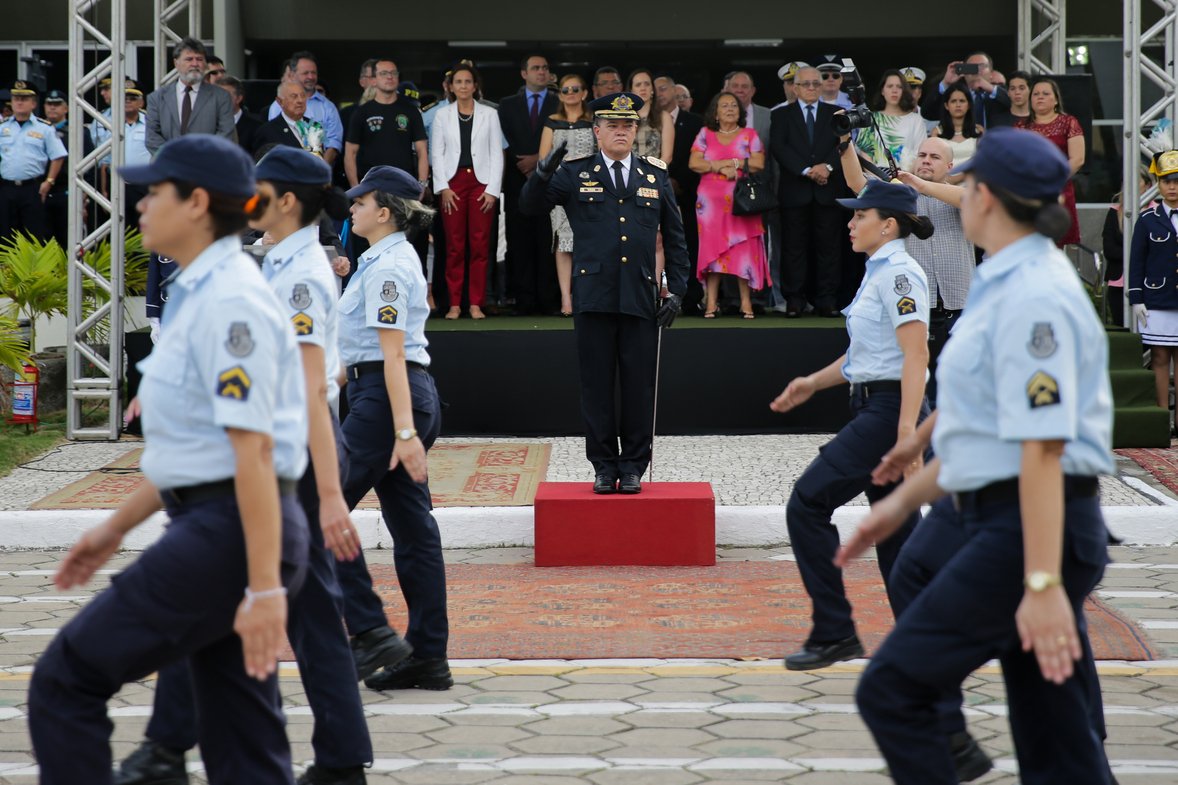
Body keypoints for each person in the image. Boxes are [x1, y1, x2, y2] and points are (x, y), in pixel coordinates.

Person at [28, 134, 310, 785]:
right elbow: (198, 451)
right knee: (243, 742)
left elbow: (254, 450)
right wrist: (112, 527)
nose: (141, 205)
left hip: (231, 532)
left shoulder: (229, 300)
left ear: (199, 202)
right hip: (226, 524)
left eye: (156, 191)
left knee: (66, 678)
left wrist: (264, 587)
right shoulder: (197, 290)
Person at [842, 126, 1115, 785]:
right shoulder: (1004, 274)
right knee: (1060, 745)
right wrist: (902, 501)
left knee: (892, 690)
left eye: (966, 184)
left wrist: (1043, 584)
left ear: (984, 195)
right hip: (1004, 514)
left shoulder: (1033, 295)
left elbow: (1041, 447)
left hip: (1025, 527)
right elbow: (985, 423)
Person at [113, 146, 372, 785]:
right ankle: (330, 757)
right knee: (272, 604)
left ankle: (173, 748)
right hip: (282, 451)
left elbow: (315, 388)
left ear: (285, 201)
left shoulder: (301, 274)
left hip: (292, 455)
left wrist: (330, 490)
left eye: (257, 188)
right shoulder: (278, 262)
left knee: (244, 595)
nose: (246, 198)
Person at [769, 178, 932, 671]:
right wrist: (812, 384)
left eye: (859, 215)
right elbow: (864, 356)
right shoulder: (877, 270)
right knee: (897, 532)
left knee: (807, 504)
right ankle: (923, 643)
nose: (850, 221)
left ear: (887, 225)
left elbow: (915, 355)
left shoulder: (900, 274)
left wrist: (907, 433)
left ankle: (834, 631)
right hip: (874, 405)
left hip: (888, 413)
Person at [520, 92, 691, 494]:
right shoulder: (576, 172)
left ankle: (632, 465)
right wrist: (542, 172)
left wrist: (677, 291)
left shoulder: (655, 175)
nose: (620, 131)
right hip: (594, 293)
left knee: (638, 385)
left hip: (640, 295)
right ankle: (602, 464)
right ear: (597, 131)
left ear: (635, 131)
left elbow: (677, 240)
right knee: (596, 385)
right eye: (612, 125)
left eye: (627, 125)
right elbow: (529, 208)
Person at [331, 165, 452, 693]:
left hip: (387, 398)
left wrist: (404, 434)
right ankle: (428, 658)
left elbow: (392, 355)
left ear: (384, 212)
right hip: (380, 395)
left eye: (360, 202)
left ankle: (370, 631)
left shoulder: (387, 266)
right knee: (413, 531)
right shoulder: (376, 260)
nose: (351, 208)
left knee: (319, 510)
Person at [842, 137, 975, 399]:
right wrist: (844, 142)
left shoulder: (962, 194)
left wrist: (922, 185)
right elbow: (856, 182)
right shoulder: (899, 197)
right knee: (917, 386)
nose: (926, 160)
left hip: (959, 307)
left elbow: (972, 199)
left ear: (950, 166)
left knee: (958, 388)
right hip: (915, 308)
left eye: (934, 157)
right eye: (922, 155)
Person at [430, 62, 504, 321]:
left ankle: (475, 303)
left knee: (481, 244)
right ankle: (453, 304)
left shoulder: (489, 114)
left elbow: (497, 153)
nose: (463, 86)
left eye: (467, 81)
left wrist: (493, 190)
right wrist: (443, 188)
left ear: (475, 86)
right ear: (451, 87)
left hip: (481, 184)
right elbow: (436, 154)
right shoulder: (442, 115)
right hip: (453, 184)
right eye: (458, 82)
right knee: (454, 246)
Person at [771, 67, 845, 318]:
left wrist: (828, 167)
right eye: (806, 84)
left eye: (816, 83)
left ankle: (826, 299)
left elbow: (843, 144)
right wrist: (806, 170)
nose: (812, 87)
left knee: (829, 247)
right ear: (795, 87)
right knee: (794, 247)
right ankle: (795, 299)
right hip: (796, 189)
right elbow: (779, 148)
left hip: (828, 188)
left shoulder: (835, 113)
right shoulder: (781, 115)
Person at [689, 91, 769, 318]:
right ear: (715, 112)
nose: (730, 109)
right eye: (724, 106)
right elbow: (694, 162)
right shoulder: (705, 134)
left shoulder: (749, 134)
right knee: (713, 252)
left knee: (743, 250)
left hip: (742, 204)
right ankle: (711, 303)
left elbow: (759, 162)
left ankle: (746, 303)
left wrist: (736, 166)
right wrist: (720, 167)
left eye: (734, 105)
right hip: (710, 206)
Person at [499, 55, 560, 315]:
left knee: (548, 240)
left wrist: (538, 160)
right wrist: (521, 162)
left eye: (545, 68)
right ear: (524, 74)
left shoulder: (559, 102)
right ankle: (523, 300)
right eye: (535, 68)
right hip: (516, 179)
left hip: (550, 181)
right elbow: (501, 139)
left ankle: (549, 300)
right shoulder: (506, 105)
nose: (541, 72)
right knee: (519, 241)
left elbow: (563, 136)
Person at [538, 73, 596, 317]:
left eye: (575, 89)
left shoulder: (594, 120)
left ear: (584, 93)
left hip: (590, 188)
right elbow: (544, 158)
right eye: (565, 89)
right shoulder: (552, 121)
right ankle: (566, 298)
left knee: (589, 243)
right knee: (562, 243)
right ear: (560, 94)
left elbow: (601, 153)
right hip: (561, 189)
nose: (570, 93)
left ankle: (586, 295)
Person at [1129, 149, 1178, 436]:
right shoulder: (1148, 220)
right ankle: (1162, 417)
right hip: (1157, 299)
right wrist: (1136, 298)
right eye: (1166, 181)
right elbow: (1137, 263)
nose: (1172, 187)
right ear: (1158, 184)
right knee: (1159, 357)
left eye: (1176, 180)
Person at [1014, 77, 1084, 247]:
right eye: (1036, 94)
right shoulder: (1020, 127)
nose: (1040, 97)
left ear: (1056, 100)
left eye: (1045, 93)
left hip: (1059, 188)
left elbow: (1078, 159)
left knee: (1057, 242)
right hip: (1029, 191)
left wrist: (1051, 180)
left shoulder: (1069, 122)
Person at [656, 74, 706, 313]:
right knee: (657, 246)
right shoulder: (645, 120)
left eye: (663, 88)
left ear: (675, 92)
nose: (659, 93)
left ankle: (690, 297)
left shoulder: (695, 121)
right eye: (656, 89)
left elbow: (699, 155)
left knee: (688, 245)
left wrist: (679, 182)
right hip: (654, 190)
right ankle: (659, 295)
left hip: (687, 194)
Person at [0, 80, 67, 242]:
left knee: (32, 235)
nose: (19, 102)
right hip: (6, 188)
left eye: (24, 99)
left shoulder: (44, 128)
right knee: (5, 236)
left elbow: (58, 156)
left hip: (32, 188)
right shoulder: (2, 128)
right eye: (16, 99)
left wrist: (49, 181)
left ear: (33, 103)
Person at [144, 37, 236, 154]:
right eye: (189, 59)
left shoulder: (221, 97)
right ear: (176, 63)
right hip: (169, 167)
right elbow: (152, 137)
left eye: (199, 59)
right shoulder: (157, 98)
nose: (195, 64)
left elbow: (225, 133)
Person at [267, 52, 343, 165]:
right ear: (292, 75)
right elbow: (272, 140)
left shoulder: (327, 107)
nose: (311, 77)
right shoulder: (278, 105)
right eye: (305, 73)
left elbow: (333, 143)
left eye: (314, 73)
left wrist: (321, 170)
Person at [855, 69, 928, 174]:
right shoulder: (871, 118)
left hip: (907, 179)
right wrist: (878, 179)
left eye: (899, 87)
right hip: (875, 179)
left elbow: (921, 153)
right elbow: (865, 154)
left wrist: (904, 179)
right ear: (882, 90)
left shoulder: (916, 120)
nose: (894, 90)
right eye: (890, 86)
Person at [1105, 166, 1151, 329]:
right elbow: (1109, 249)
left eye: (1136, 180)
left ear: (1147, 185)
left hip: (1150, 283)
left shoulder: (1157, 211)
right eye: (1127, 181)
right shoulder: (1114, 211)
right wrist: (1139, 253)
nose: (1130, 185)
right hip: (1119, 282)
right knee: (1123, 329)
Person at [924, 52, 1012, 130]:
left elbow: (1017, 104)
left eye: (982, 66)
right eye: (972, 67)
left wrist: (989, 87)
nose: (977, 70)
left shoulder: (999, 95)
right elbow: (927, 113)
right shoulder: (955, 96)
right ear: (964, 71)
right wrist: (946, 83)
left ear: (991, 73)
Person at [256, 80, 329, 156]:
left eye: (303, 96)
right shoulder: (267, 131)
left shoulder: (315, 126)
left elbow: (319, 159)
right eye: (294, 96)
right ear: (280, 101)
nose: (300, 100)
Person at [930, 82, 983, 172]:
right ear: (946, 105)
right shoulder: (937, 132)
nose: (958, 105)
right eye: (953, 101)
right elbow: (934, 165)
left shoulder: (979, 131)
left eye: (962, 101)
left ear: (969, 105)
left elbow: (982, 163)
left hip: (972, 182)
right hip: (944, 183)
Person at [216, 74, 263, 154]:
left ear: (239, 98)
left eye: (225, 95)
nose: (219, 100)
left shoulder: (257, 127)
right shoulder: (206, 123)